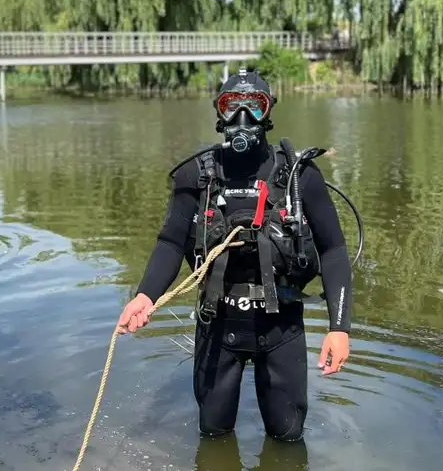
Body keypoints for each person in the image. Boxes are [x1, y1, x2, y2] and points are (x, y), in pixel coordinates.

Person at [117, 67, 353, 443]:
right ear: (218, 112)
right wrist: (146, 294)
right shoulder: (196, 175)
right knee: (213, 434)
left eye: (254, 106)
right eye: (231, 105)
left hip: (281, 328)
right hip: (217, 324)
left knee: (288, 439)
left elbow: (334, 249)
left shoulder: (299, 175)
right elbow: (171, 242)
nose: (242, 117)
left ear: (269, 111)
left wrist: (339, 328)